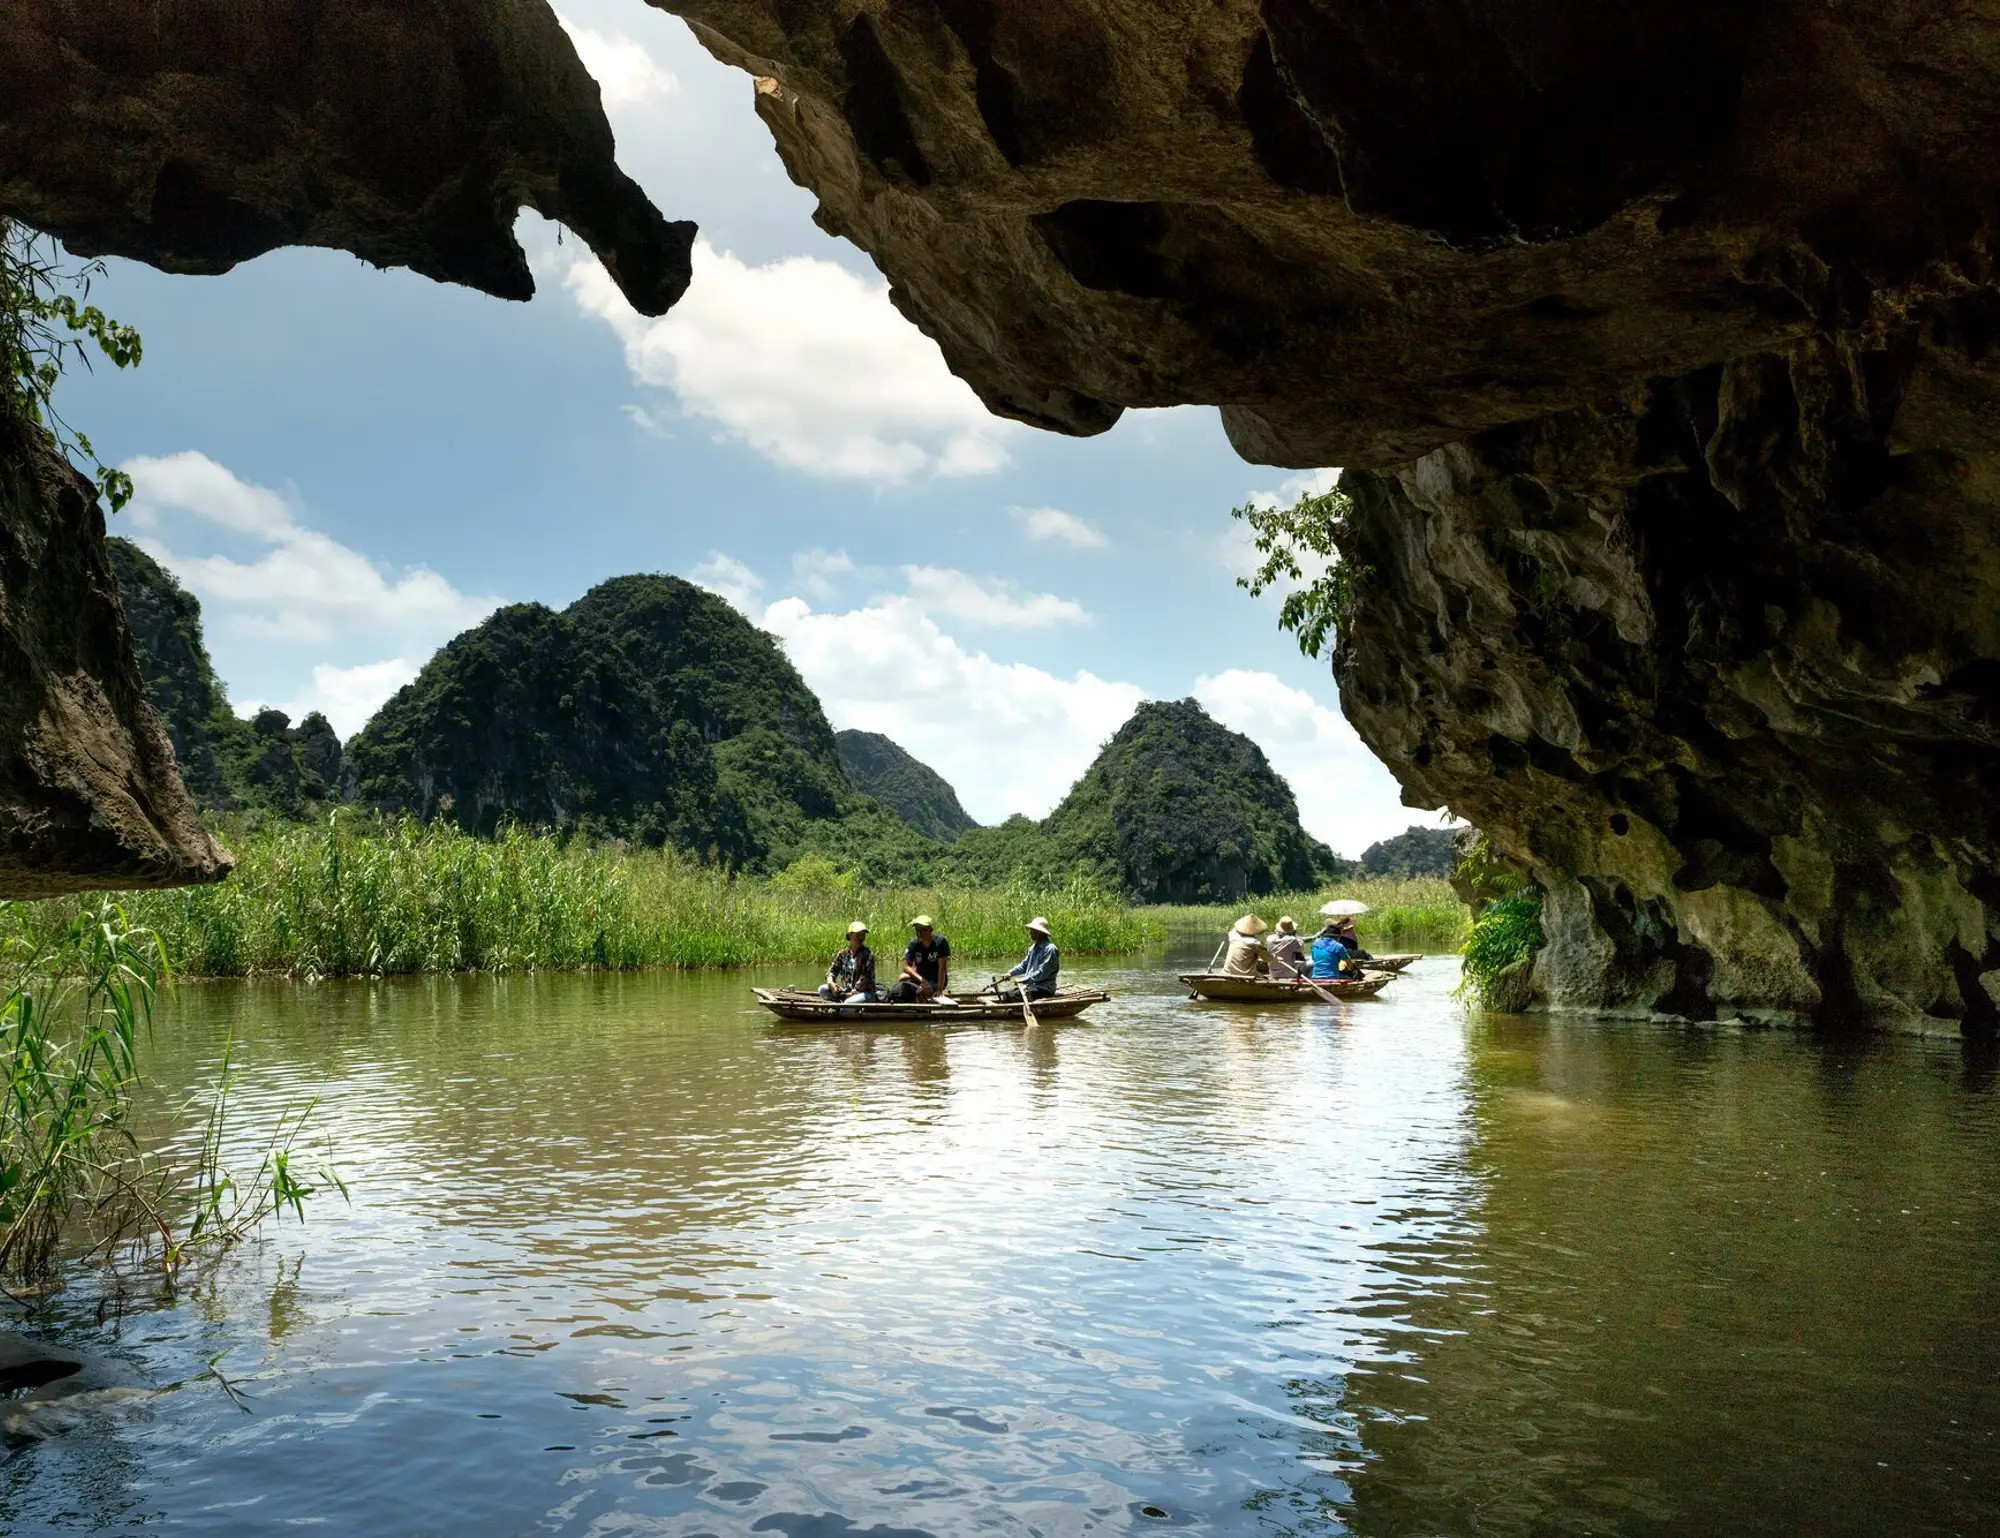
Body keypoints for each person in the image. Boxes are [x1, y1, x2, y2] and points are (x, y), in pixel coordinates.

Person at [889, 914, 951, 1003]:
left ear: (930, 929)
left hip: (936, 979)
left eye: (923, 930)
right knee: (902, 977)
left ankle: (922, 997)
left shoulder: (940, 942)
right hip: (921, 978)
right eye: (917, 930)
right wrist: (923, 981)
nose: (919, 933)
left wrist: (940, 990)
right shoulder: (913, 944)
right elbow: (906, 967)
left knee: (921, 991)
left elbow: (942, 969)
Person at [819, 921, 879, 1002]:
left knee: (848, 1002)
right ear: (850, 935)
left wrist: (849, 994)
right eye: (858, 934)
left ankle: (843, 1008)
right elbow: (832, 971)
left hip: (864, 993)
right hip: (847, 992)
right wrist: (831, 983)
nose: (861, 937)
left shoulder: (868, 955)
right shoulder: (843, 954)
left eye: (863, 935)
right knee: (822, 989)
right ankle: (843, 1005)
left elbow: (865, 980)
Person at [1003, 916, 1060, 1000]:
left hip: (1044, 988)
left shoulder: (1050, 949)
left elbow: (1042, 973)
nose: (1030, 932)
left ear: (1039, 932)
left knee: (1013, 996)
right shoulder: (1033, 948)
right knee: (1006, 995)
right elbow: (1024, 965)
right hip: (1032, 986)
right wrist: (1011, 973)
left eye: (1032, 930)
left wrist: (1023, 980)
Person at [1267, 916, 1306, 982]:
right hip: (1287, 972)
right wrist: (1296, 936)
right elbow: (1301, 948)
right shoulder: (1291, 939)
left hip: (1272, 972)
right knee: (1311, 964)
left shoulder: (1269, 938)